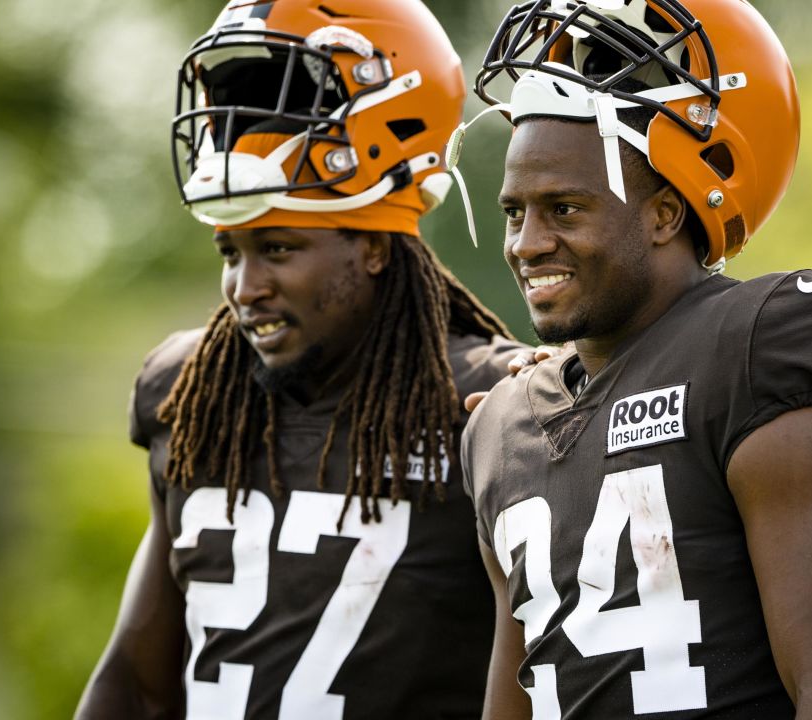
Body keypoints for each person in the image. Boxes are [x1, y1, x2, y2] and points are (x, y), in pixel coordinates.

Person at [76, 1, 530, 717]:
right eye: (231, 251)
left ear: (375, 247)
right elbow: (135, 680)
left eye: (279, 249)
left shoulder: (495, 405)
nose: (244, 288)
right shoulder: (195, 395)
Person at [460, 1, 812, 718]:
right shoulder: (501, 426)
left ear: (666, 213)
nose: (527, 243)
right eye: (516, 213)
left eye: (564, 209)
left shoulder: (762, 346)